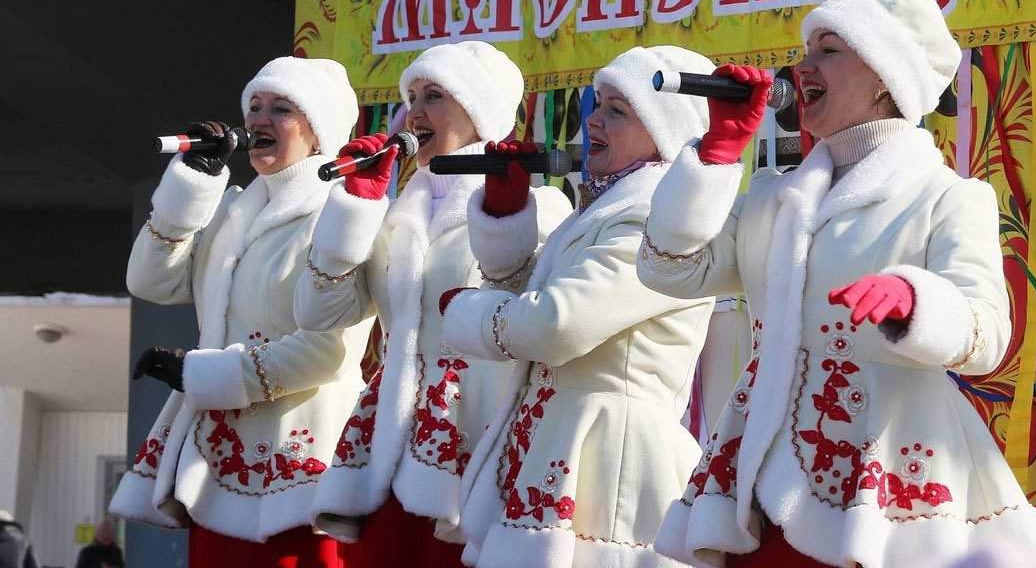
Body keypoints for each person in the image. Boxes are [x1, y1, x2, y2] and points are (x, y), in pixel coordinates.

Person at [638, 0, 1036, 568]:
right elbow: (669, 270)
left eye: (829, 50)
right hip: (757, 474)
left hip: (881, 481)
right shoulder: (771, 197)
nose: (801, 66)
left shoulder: (947, 196)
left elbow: (986, 333)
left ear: (885, 77)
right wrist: (715, 155)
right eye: (805, 50)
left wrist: (914, 301)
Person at [295, 41, 572, 567]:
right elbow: (318, 314)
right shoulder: (395, 216)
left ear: (479, 111)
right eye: (412, 98)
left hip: (478, 440)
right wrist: (353, 208)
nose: (414, 112)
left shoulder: (542, 206)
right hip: (390, 445)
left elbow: (532, 323)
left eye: (434, 96)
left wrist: (505, 220)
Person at [440, 45, 718, 567]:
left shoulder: (657, 217)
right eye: (597, 104)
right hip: (561, 442)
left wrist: (468, 313)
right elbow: (537, 305)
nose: (592, 120)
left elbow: (558, 325)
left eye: (617, 110)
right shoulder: (608, 207)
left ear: (665, 129)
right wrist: (505, 221)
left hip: (611, 455)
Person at [109, 56, 374, 568]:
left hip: (300, 464)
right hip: (215, 466)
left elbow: (329, 352)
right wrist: (191, 185)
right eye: (254, 106)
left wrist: (202, 375)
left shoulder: (343, 214)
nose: (258, 119)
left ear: (318, 132)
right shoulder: (232, 209)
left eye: (281, 109)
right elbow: (150, 281)